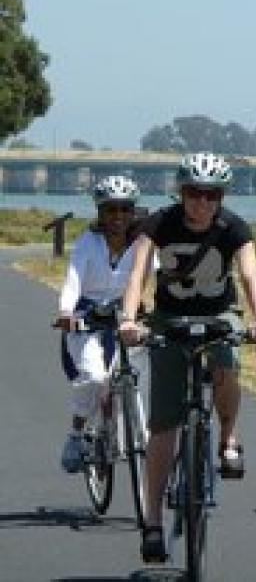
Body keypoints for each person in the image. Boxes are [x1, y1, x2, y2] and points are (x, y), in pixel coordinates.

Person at [118, 152, 256, 563]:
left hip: (218, 314)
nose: (201, 202)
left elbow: (250, 275)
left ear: (221, 196)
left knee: (226, 362)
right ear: (180, 192)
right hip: (170, 319)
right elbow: (138, 276)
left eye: (211, 194)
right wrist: (129, 320)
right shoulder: (158, 225)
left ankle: (227, 438)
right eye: (193, 193)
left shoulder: (234, 227)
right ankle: (152, 521)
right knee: (164, 423)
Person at [57, 175, 144, 473]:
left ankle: (132, 429)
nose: (118, 216)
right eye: (110, 210)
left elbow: (157, 279)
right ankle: (77, 434)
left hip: (128, 318)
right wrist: (66, 310)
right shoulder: (87, 242)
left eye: (124, 209)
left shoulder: (142, 244)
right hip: (88, 317)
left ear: (133, 212)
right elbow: (74, 279)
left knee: (134, 377)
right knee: (94, 377)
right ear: (100, 212)